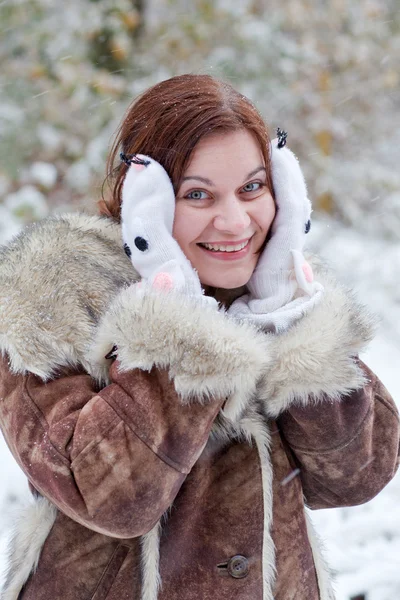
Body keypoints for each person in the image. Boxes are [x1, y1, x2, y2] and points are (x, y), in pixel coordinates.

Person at [0, 74, 398, 600]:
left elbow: (356, 475)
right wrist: (180, 328)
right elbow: (110, 499)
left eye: (253, 188)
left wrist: (291, 320)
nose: (234, 222)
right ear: (143, 199)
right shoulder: (57, 297)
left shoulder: (279, 296)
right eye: (196, 194)